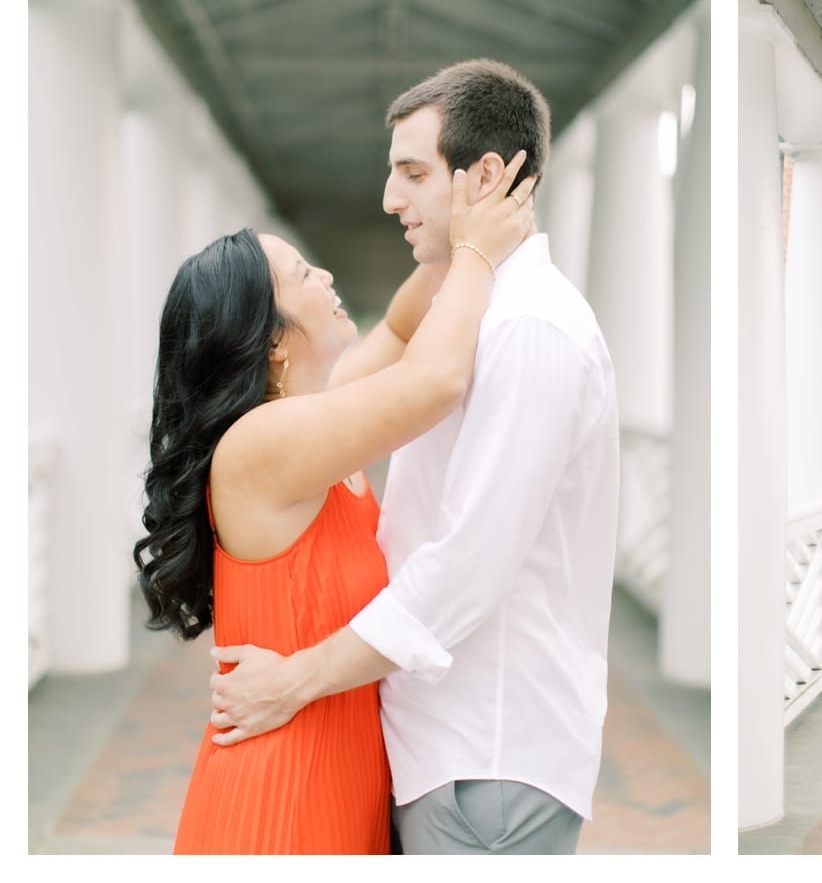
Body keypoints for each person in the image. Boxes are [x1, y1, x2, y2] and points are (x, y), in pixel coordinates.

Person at [206, 59, 622, 856]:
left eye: (411, 172)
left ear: (487, 176)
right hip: (432, 749)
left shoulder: (528, 329)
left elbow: (468, 563)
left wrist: (291, 680)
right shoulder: (468, 321)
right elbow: (415, 355)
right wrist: (463, 254)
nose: (390, 199)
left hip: (485, 754)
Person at [133, 155, 537, 853]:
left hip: (336, 775)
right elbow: (435, 376)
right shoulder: (259, 445)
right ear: (273, 343)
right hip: (280, 800)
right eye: (300, 275)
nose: (324, 275)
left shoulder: (312, 417)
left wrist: (454, 219)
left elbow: (406, 330)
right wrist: (477, 249)